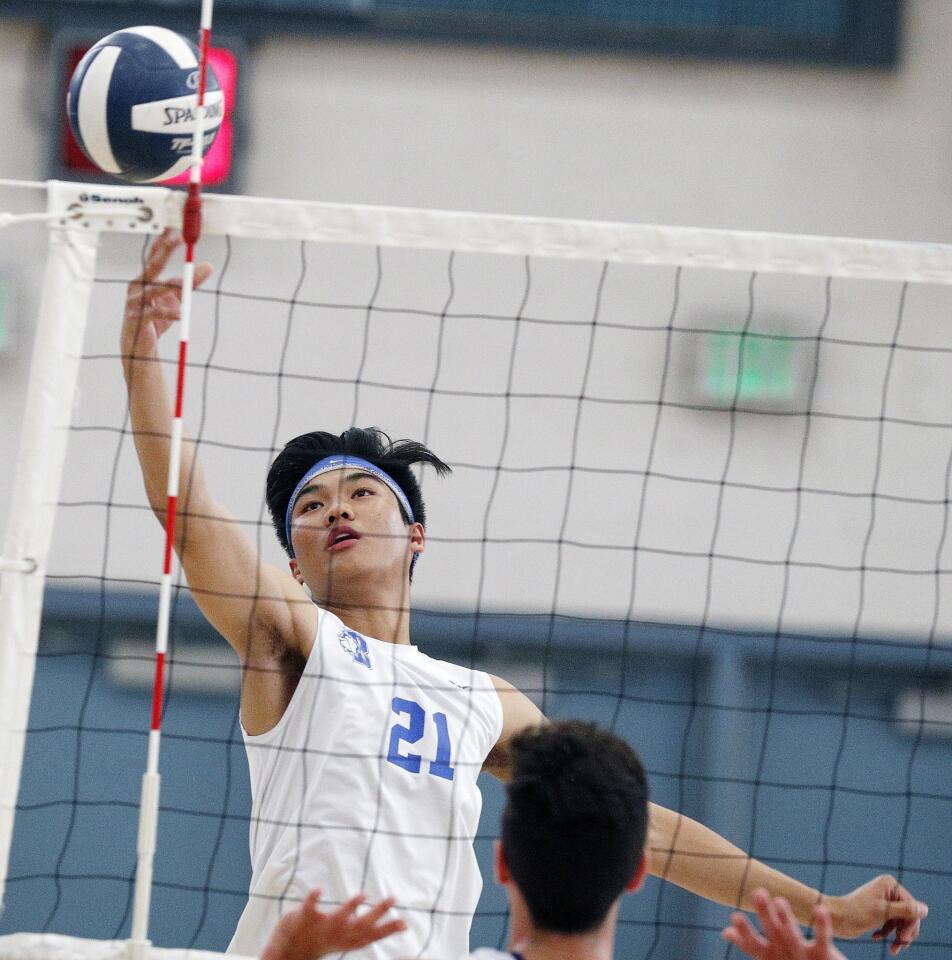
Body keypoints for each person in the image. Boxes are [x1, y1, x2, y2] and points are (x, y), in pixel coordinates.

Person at [122, 230, 928, 959]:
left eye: (362, 494)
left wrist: (827, 907)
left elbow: (640, 827)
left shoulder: (483, 700)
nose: (334, 508)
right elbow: (189, 515)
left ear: (417, 537)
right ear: (292, 566)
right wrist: (142, 356)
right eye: (309, 505)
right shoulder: (293, 641)